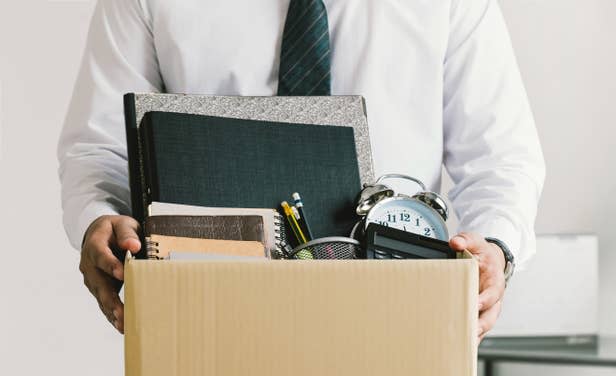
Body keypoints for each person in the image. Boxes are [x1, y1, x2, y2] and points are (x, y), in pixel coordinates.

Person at [58, 0, 545, 339]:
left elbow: (500, 158)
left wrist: (495, 246)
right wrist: (96, 218)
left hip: (398, 314)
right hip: (210, 319)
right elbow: (100, 146)